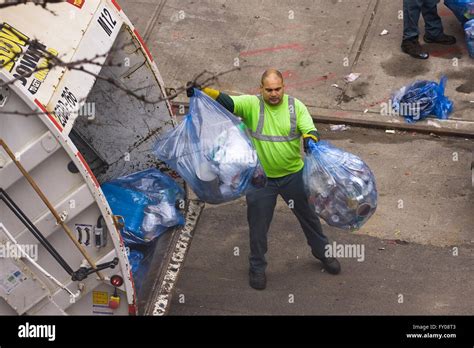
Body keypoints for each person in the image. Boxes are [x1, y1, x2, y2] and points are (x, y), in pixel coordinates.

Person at [187, 69, 340, 290]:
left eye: (277, 89)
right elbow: (227, 102)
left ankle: (323, 254)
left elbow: (310, 129)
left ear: (284, 87)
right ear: (261, 89)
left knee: (310, 219)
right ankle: (257, 268)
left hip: (293, 176)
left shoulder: (296, 107)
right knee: (258, 227)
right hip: (260, 180)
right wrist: (203, 91)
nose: (274, 94)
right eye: (268, 90)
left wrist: (310, 138)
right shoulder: (252, 104)